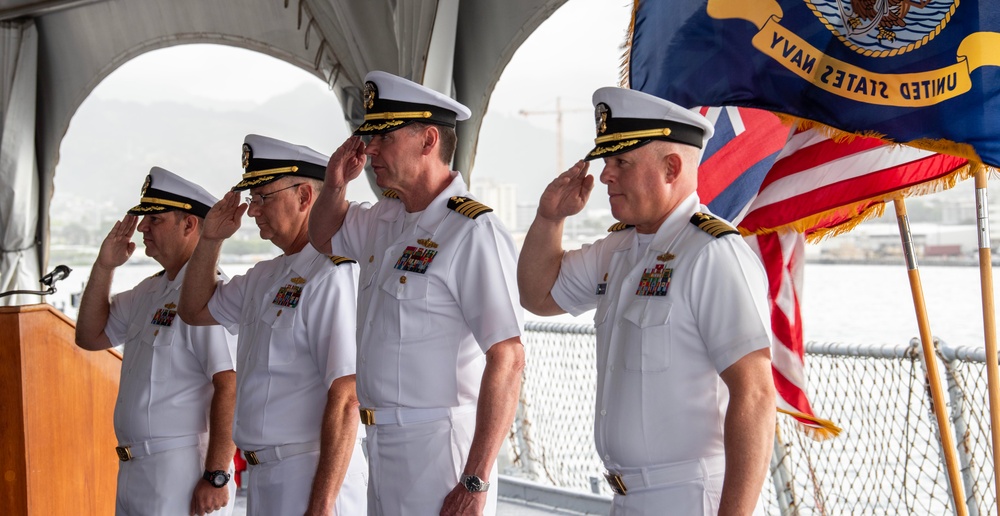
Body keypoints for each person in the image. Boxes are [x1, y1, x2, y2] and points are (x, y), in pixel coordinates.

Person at [517, 87, 776, 515]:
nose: (604, 176)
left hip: (686, 497)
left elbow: (756, 395)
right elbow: (538, 295)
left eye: (621, 162)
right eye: (606, 161)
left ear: (672, 167)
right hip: (627, 497)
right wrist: (550, 218)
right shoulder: (620, 250)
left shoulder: (711, 253)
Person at [309, 70, 524, 516]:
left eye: (384, 137)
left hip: (440, 449)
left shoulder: (471, 231)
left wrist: (477, 479)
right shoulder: (384, 220)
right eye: (368, 137)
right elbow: (323, 234)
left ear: (428, 141)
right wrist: (334, 185)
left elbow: (508, 356)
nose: (370, 150)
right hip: (382, 444)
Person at [177, 134, 367, 516]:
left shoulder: (331, 274)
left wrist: (322, 502)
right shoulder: (264, 277)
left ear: (304, 198)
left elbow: (347, 395)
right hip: (265, 478)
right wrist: (211, 239)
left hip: (310, 472)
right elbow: (194, 309)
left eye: (263, 197)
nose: (252, 211)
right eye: (252, 199)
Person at [75, 166, 238, 516]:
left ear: (189, 225)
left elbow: (229, 384)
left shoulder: (208, 295)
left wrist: (217, 474)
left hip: (179, 468)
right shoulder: (150, 291)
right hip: (134, 467)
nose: (143, 227)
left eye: (155, 219)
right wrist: (105, 267)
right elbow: (90, 337)